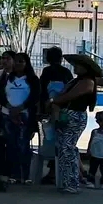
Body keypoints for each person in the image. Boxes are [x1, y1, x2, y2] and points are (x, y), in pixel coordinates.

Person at [50, 54, 100, 194]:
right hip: (68, 115)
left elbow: (68, 96)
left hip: (75, 116)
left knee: (67, 148)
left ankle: (72, 182)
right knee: (65, 148)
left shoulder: (87, 82)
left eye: (78, 65)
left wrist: (54, 101)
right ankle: (66, 181)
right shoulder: (77, 81)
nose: (75, 67)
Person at [0, 52, 40, 184]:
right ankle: (13, 174)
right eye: (16, 61)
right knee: (11, 145)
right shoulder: (6, 78)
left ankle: (24, 175)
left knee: (23, 145)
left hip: (25, 116)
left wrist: (20, 108)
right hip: (7, 115)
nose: (18, 64)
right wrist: (9, 107)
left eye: (21, 61)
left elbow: (35, 96)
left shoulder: (32, 79)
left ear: (26, 63)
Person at [38, 46, 72, 184]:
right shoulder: (66, 72)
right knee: (62, 140)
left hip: (49, 110)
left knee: (51, 140)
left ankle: (53, 172)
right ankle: (60, 172)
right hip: (64, 110)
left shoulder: (46, 72)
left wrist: (42, 109)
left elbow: (41, 92)